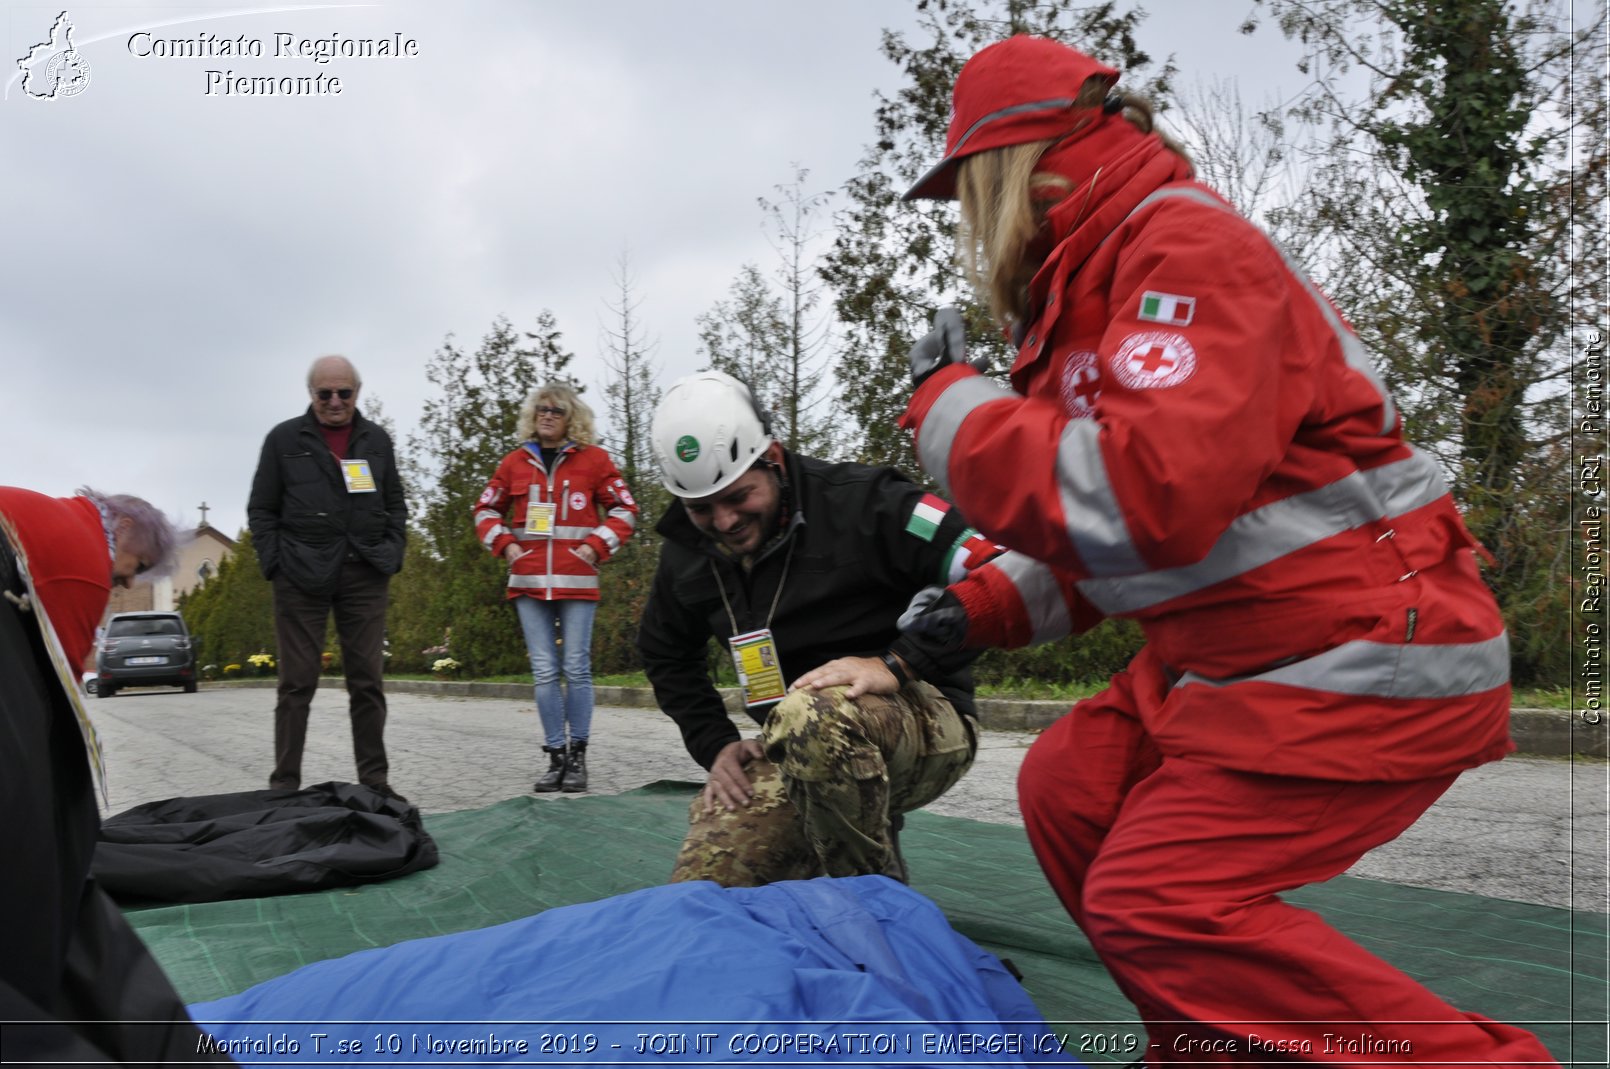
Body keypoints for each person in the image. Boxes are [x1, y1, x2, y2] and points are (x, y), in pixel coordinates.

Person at [897, 33, 1556, 1065]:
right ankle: (1214, 1047)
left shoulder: (1184, 252)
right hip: (1249, 645)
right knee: (1068, 784)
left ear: (1009, 165)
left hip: (1363, 646)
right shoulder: (1086, 295)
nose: (971, 230)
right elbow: (1107, 528)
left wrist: (947, 412)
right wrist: (979, 607)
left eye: (966, 195)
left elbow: (1147, 497)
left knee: (1159, 898)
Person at [638, 370, 1009, 886]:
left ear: (773, 456)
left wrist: (897, 663)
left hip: (922, 721)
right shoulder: (685, 554)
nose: (724, 522)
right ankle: (833, 838)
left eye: (739, 497)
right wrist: (715, 742)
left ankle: (871, 905)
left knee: (812, 714)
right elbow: (664, 651)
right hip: (793, 743)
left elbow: (995, 570)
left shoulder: (868, 502)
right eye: (702, 509)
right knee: (708, 887)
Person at [0, 486, 230, 1063]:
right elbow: (67, 695)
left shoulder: (55, 522)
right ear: (124, 527)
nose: (123, 585)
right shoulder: (82, 556)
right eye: (132, 572)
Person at [248, 355, 409, 801]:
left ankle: (375, 783)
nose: (335, 402)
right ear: (311, 395)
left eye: (344, 393)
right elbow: (262, 509)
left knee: (367, 682)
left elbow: (396, 504)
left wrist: (392, 552)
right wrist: (275, 563)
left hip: (365, 572)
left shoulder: (376, 440)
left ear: (358, 392)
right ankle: (283, 787)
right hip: (300, 575)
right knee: (297, 682)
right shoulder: (283, 439)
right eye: (325, 394)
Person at [474, 383, 638, 792]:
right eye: (541, 409)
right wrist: (505, 545)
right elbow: (484, 509)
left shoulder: (595, 461)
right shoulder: (513, 463)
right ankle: (555, 757)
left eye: (557, 410)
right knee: (545, 671)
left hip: (577, 581)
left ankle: (579, 757)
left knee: (577, 668)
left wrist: (596, 545)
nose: (547, 415)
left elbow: (626, 509)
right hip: (528, 583)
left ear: (572, 418)